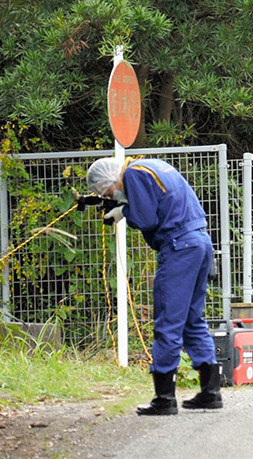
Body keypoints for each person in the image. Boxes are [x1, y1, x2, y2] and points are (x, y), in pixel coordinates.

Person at [86, 157, 223, 415]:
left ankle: (164, 398)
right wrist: (126, 204)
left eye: (107, 191)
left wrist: (124, 211)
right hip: (201, 241)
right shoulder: (152, 165)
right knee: (192, 319)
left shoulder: (132, 175)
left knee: (168, 318)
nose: (110, 195)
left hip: (179, 246)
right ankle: (210, 392)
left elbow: (147, 219)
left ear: (110, 180)